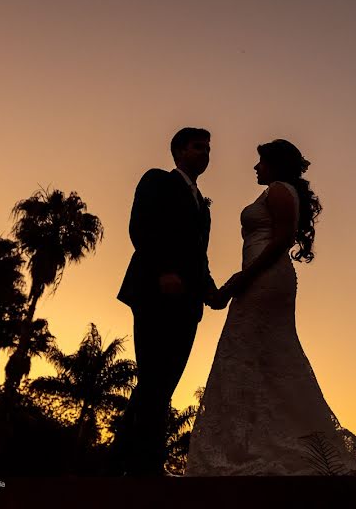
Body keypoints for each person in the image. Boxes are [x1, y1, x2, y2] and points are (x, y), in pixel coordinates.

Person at [186, 139, 356, 475]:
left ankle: (264, 446)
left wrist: (240, 279)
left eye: (260, 161)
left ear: (275, 165)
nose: (255, 167)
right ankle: (255, 443)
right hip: (261, 279)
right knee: (263, 356)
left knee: (248, 349)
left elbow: (281, 240)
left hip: (264, 279)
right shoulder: (279, 191)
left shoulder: (279, 190)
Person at [114, 127, 224, 476]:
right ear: (178, 152)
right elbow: (141, 228)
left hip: (188, 303)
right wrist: (163, 271)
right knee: (154, 378)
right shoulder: (157, 180)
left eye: (208, 149)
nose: (205, 153)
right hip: (155, 293)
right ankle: (143, 466)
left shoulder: (202, 206)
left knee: (163, 382)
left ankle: (123, 461)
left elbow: (199, 255)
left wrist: (208, 288)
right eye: (197, 147)